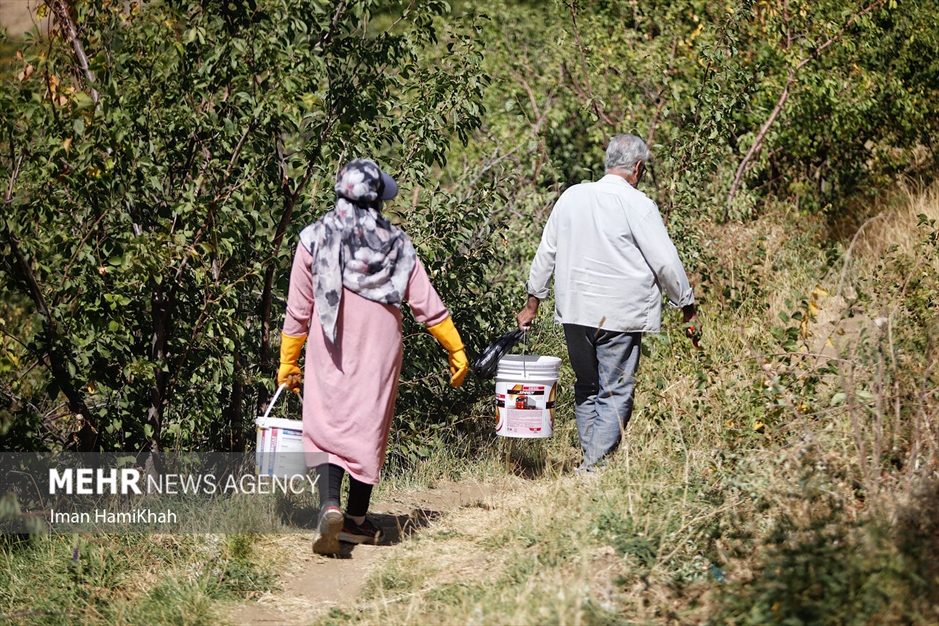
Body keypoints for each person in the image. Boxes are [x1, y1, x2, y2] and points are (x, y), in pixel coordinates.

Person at [278, 158, 469, 555]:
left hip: (330, 342)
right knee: (368, 424)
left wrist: (288, 361)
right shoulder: (396, 242)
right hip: (379, 346)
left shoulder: (313, 237)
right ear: (377, 199)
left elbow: (299, 308)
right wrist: (454, 347)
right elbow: (425, 302)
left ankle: (328, 505)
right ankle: (357, 521)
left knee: (326, 424)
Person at [516, 134, 698, 473]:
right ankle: (593, 469)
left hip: (575, 313)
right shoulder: (638, 204)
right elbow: (666, 263)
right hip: (619, 316)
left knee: (587, 385)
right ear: (638, 168)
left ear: (608, 162)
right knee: (615, 392)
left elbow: (546, 254)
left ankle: (590, 463)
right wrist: (686, 305)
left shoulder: (571, 197)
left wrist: (532, 304)